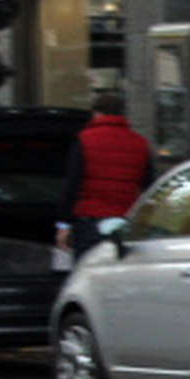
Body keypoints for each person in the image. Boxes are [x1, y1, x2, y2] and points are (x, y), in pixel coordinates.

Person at [58, 90, 155, 259]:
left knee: (87, 276)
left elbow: (72, 185)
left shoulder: (84, 139)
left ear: (96, 113)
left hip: (89, 222)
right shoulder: (140, 143)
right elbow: (149, 187)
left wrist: (64, 224)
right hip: (123, 222)